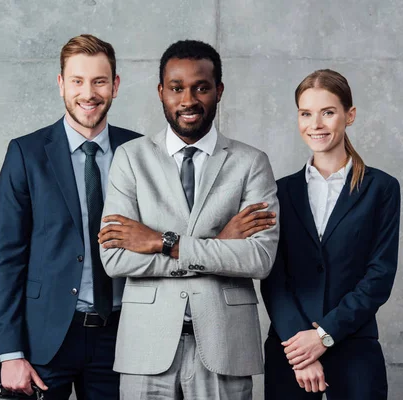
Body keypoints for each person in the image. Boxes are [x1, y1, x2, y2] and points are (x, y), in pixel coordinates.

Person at [97, 40, 279, 400]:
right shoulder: (130, 159)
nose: (188, 100)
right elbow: (115, 258)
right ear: (161, 92)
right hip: (146, 347)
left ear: (219, 91)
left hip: (225, 346)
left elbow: (259, 258)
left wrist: (166, 243)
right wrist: (218, 247)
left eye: (201, 87)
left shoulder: (251, 162)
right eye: (177, 88)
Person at [0, 34, 140, 399]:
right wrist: (10, 352)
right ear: (61, 85)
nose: (88, 93)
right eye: (77, 81)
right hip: (46, 337)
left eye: (99, 81)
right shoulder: (26, 153)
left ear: (115, 85)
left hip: (121, 334)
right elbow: (6, 257)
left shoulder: (139, 151)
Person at [261, 69, 400, 399]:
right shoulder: (279, 191)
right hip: (290, 350)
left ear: (349, 116)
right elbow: (273, 275)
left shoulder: (381, 188)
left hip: (354, 347)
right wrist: (301, 348)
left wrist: (323, 335)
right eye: (306, 113)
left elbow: (379, 275)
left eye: (328, 112)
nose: (316, 124)